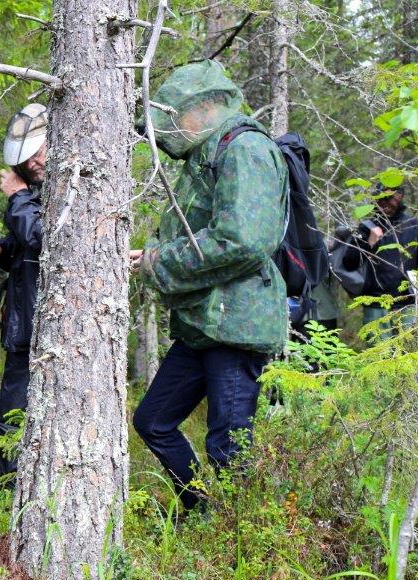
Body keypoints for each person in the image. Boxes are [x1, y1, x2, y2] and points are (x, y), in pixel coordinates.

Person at [129, 60, 289, 510]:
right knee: (153, 420)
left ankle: (238, 536)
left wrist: (160, 260)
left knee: (228, 447)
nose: (172, 129)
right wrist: (152, 256)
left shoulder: (245, 149)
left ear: (204, 108)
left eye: (177, 116)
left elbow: (243, 241)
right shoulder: (207, 152)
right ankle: (203, 510)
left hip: (236, 326)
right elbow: (195, 231)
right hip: (204, 324)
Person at [0, 103, 48, 483]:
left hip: (44, 326)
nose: (34, 162)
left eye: (38, 152)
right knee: (11, 410)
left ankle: (15, 484)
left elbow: (43, 239)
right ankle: (9, 486)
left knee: (20, 411)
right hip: (26, 324)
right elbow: (27, 246)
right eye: (27, 157)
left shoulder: (63, 189)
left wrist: (17, 197)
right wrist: (2, 249)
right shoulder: (38, 192)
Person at [341, 185, 418, 340]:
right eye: (380, 200)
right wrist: (369, 243)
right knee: (378, 351)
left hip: (408, 302)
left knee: (409, 349)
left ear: (399, 198)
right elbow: (349, 263)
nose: (384, 203)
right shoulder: (367, 227)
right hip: (376, 303)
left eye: (389, 199)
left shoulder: (413, 225)